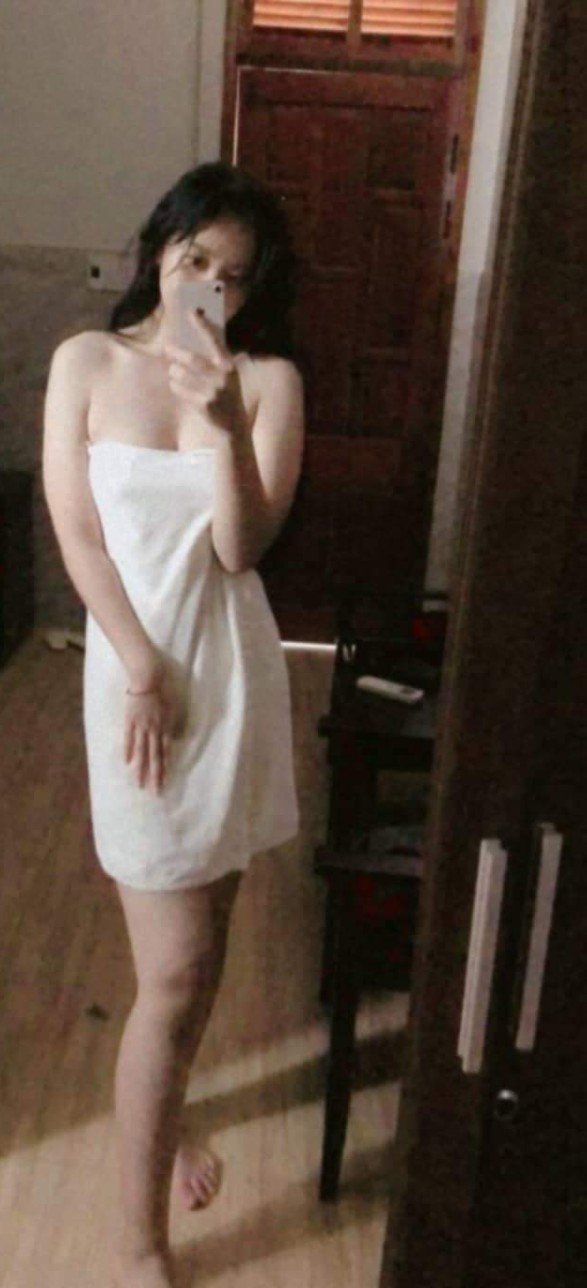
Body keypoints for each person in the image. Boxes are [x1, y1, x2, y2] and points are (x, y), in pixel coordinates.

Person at [42, 161, 304, 1288]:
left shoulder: (268, 383)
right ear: (162, 249)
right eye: (196, 258)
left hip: (234, 679)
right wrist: (141, 667)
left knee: (204, 943)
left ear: (251, 293)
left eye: (231, 277)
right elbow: (76, 531)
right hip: (138, 689)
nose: (208, 286)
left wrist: (224, 424)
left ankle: (170, 1120)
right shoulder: (86, 362)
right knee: (179, 968)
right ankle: (138, 1242)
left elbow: (240, 550)